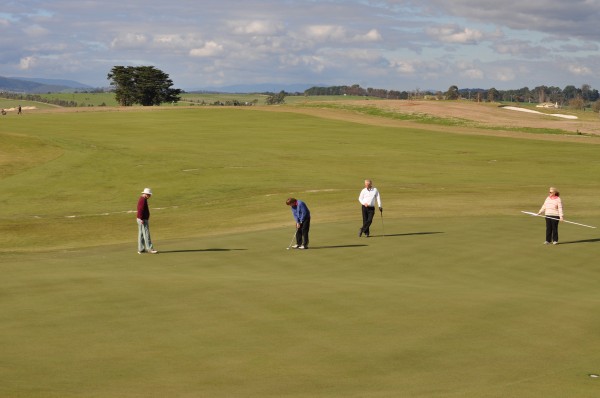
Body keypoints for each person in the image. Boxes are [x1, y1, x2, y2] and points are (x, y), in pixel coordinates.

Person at [137, 188, 158, 254]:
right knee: (146, 234)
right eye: (149, 195)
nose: (150, 196)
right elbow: (140, 209)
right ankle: (150, 249)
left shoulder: (142, 199)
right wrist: (141, 219)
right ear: (146, 194)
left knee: (141, 234)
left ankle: (141, 249)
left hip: (140, 219)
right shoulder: (143, 200)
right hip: (142, 219)